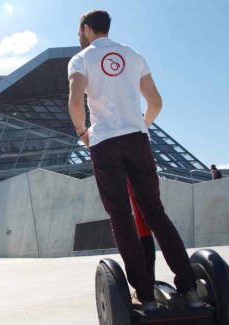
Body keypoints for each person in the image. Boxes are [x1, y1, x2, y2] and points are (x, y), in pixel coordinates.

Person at [68, 10, 203, 310]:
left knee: (121, 217)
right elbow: (156, 102)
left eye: (79, 31)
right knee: (156, 212)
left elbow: (76, 100)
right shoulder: (133, 55)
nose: (79, 36)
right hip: (137, 140)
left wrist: (82, 133)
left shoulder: (81, 60)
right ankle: (190, 287)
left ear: (88, 29)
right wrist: (142, 124)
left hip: (104, 141)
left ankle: (145, 294)